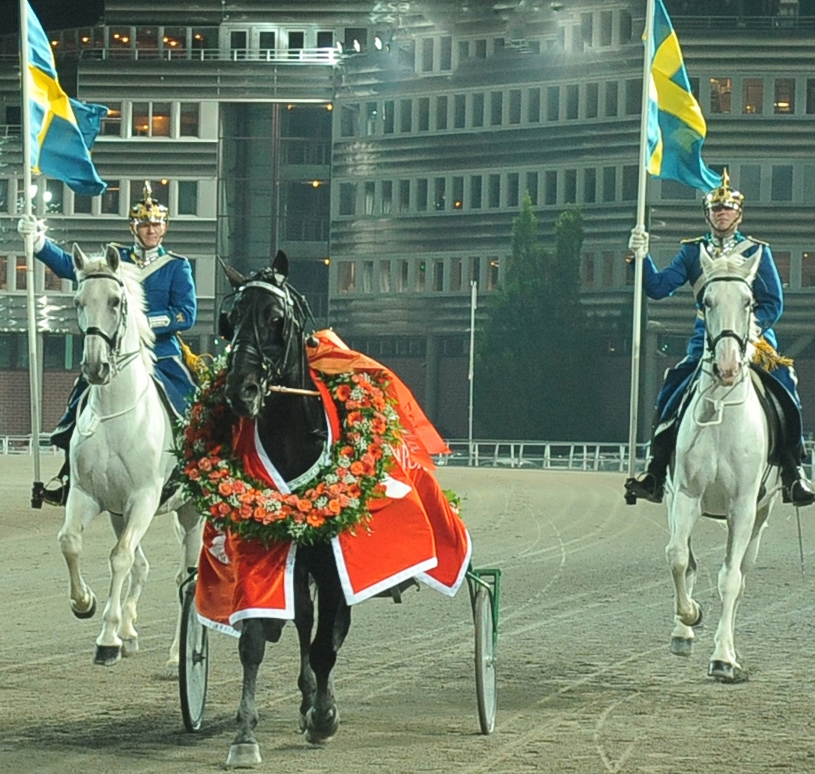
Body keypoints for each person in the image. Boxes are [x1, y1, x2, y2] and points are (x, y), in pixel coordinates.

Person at [624, 170, 815, 507]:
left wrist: (750, 330)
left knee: (785, 385)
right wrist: (642, 258)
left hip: (753, 340)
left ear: (738, 214)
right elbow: (658, 288)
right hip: (706, 342)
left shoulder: (756, 251)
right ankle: (655, 472)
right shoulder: (691, 252)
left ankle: (792, 471)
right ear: (707, 215)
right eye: (716, 209)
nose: (722, 214)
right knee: (673, 387)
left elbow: (773, 303)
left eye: (727, 209)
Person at [18, 181, 198, 506]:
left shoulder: (176, 265)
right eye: (144, 224)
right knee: (80, 399)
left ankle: (197, 469)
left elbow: (185, 314)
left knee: (191, 401)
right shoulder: (115, 259)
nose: (151, 230)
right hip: (115, 354)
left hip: (161, 354)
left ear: (165, 227)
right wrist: (39, 242)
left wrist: (141, 323)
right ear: (134, 227)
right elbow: (70, 266)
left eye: (156, 224)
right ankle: (69, 472)